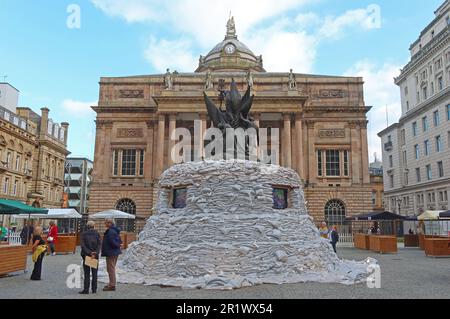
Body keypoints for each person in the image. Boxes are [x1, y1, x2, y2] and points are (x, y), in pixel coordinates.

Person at [79, 221, 101, 294]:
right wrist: (95, 252)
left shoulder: (84, 234)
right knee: (94, 273)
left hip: (86, 255)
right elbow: (99, 244)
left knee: (87, 273)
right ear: (94, 226)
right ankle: (94, 289)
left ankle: (86, 289)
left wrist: (89, 252)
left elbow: (83, 245)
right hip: (95, 256)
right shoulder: (97, 234)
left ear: (87, 226)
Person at [101, 218, 122, 292]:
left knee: (110, 269)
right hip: (113, 252)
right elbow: (119, 241)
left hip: (111, 252)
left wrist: (115, 246)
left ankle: (112, 285)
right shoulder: (114, 230)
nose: (105, 224)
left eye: (105, 223)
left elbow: (114, 242)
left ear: (109, 223)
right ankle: (111, 283)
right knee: (111, 268)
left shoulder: (110, 231)